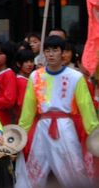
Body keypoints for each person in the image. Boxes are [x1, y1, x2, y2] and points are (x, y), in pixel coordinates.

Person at [15, 36, 99, 188]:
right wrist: (20, 135)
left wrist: (95, 134)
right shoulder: (36, 76)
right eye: (47, 50)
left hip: (65, 128)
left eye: (55, 50)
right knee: (33, 171)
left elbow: (86, 108)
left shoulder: (76, 77)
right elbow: (28, 110)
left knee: (74, 170)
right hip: (42, 128)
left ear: (63, 53)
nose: (51, 54)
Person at [14, 49, 35, 118]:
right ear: (18, 64)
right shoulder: (22, 81)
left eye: (31, 61)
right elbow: (22, 103)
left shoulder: (21, 79)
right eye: (26, 62)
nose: (29, 64)